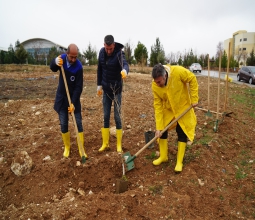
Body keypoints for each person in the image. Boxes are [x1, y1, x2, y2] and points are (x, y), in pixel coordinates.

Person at [151, 63, 198, 172]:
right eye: (155, 81)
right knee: (162, 129)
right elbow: (157, 106)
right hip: (168, 110)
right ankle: (163, 157)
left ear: (165, 76)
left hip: (182, 107)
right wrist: (158, 127)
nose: (157, 84)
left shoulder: (177, 72)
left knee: (181, 131)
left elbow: (192, 78)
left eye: (159, 82)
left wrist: (194, 98)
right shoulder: (155, 85)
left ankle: (179, 162)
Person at [50, 44, 87, 159]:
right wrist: (55, 61)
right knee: (64, 123)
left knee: (78, 123)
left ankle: (81, 149)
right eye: (71, 57)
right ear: (67, 54)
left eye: (75, 57)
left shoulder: (79, 67)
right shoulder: (61, 59)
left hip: (73, 99)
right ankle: (67, 147)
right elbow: (53, 68)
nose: (73, 59)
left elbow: (78, 87)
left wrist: (73, 103)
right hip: (62, 98)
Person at [97, 35, 129, 153]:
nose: (109, 51)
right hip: (106, 90)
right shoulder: (101, 52)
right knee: (105, 116)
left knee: (117, 117)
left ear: (113, 45)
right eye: (107, 48)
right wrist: (99, 85)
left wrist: (125, 70)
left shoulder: (119, 54)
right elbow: (99, 69)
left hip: (117, 90)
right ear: (104, 45)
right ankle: (105, 144)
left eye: (110, 48)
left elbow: (125, 64)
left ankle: (118, 145)